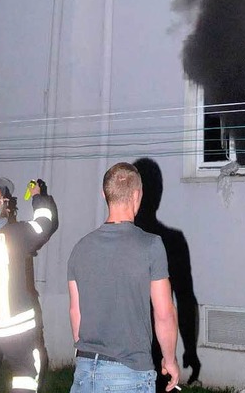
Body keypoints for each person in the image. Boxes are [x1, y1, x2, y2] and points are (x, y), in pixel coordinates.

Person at [67, 162, 180, 393]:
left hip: (84, 372)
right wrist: (169, 359)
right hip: (128, 374)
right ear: (137, 194)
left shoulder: (80, 247)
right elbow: (164, 313)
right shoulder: (151, 246)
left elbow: (76, 312)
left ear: (104, 194)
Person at [0, 177, 59, 393]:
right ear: (1, 207)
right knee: (25, 375)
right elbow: (45, 224)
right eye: (6, 201)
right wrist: (38, 196)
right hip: (15, 325)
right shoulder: (15, 235)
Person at [133, 158, 202, 390]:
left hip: (119, 351)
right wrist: (189, 349)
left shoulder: (103, 242)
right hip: (153, 349)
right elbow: (185, 299)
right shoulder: (171, 241)